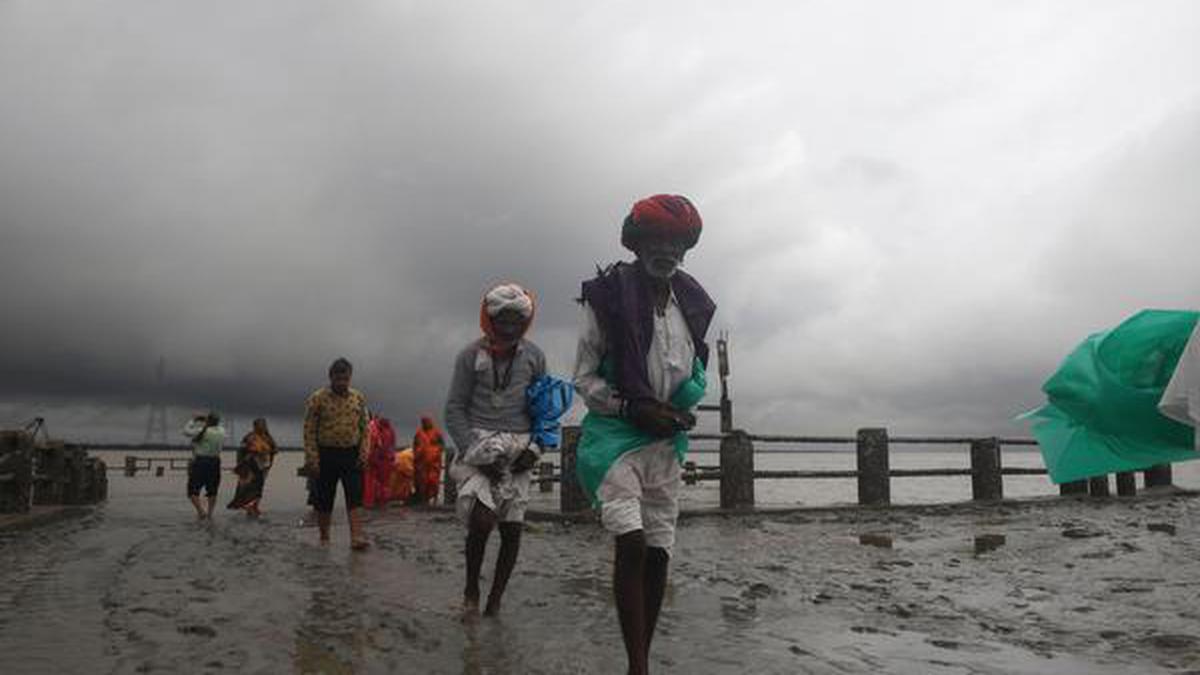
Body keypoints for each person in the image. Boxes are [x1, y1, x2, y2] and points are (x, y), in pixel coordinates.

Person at [573, 194, 715, 675]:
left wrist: (675, 413)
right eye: (655, 238)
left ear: (686, 248)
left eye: (675, 240)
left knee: (658, 552)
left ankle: (643, 657)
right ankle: (637, 664)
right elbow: (584, 378)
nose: (666, 248)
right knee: (630, 542)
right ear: (636, 243)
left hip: (664, 446)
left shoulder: (692, 305)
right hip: (614, 441)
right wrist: (632, 407)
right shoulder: (607, 298)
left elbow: (693, 374)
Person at [445, 283, 546, 619]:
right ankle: (471, 587)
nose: (509, 325)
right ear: (489, 318)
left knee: (512, 528)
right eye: (502, 318)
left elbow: (544, 409)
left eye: (518, 318)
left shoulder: (534, 356)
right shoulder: (469, 356)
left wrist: (536, 447)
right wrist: (477, 453)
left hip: (520, 445)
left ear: (525, 321)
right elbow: (454, 409)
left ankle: (495, 600)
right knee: (482, 520)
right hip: (480, 442)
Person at [303, 357, 371, 550]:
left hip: (352, 454)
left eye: (346, 379)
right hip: (326, 454)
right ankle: (324, 537)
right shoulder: (317, 398)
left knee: (355, 496)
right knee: (324, 499)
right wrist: (312, 459)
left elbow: (365, 428)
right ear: (331, 377)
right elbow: (308, 430)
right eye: (338, 379)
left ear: (350, 378)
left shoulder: (358, 397)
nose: (342, 383)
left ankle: (356, 537)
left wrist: (364, 453)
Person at [227, 417, 278, 516]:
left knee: (258, 487)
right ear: (255, 426)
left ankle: (254, 507)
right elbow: (241, 450)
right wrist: (242, 462)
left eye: (262, 425)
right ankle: (249, 507)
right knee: (249, 487)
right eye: (259, 425)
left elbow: (275, 450)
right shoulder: (249, 437)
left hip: (263, 466)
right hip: (250, 466)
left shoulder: (268, 437)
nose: (261, 427)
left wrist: (267, 454)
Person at [182, 411, 226, 520]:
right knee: (212, 489)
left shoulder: (201, 431)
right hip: (215, 462)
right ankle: (210, 514)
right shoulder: (222, 431)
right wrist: (207, 420)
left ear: (208, 421)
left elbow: (186, 431)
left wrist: (194, 420)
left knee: (192, 489)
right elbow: (217, 425)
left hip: (201, 461)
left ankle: (201, 511)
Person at [363, 414, 397, 509]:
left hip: (380, 461)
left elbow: (376, 445)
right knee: (382, 483)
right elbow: (391, 446)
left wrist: (371, 457)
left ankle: (375, 501)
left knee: (375, 482)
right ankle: (381, 501)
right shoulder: (388, 431)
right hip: (384, 461)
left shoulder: (377, 430)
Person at [411, 415, 445, 505]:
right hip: (421, 463)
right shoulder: (419, 433)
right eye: (424, 422)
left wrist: (437, 453)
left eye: (427, 421)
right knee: (421, 482)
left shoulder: (437, 432)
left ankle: (434, 500)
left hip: (434, 463)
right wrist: (416, 456)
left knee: (433, 481)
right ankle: (423, 500)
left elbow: (442, 445)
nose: (425, 423)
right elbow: (414, 445)